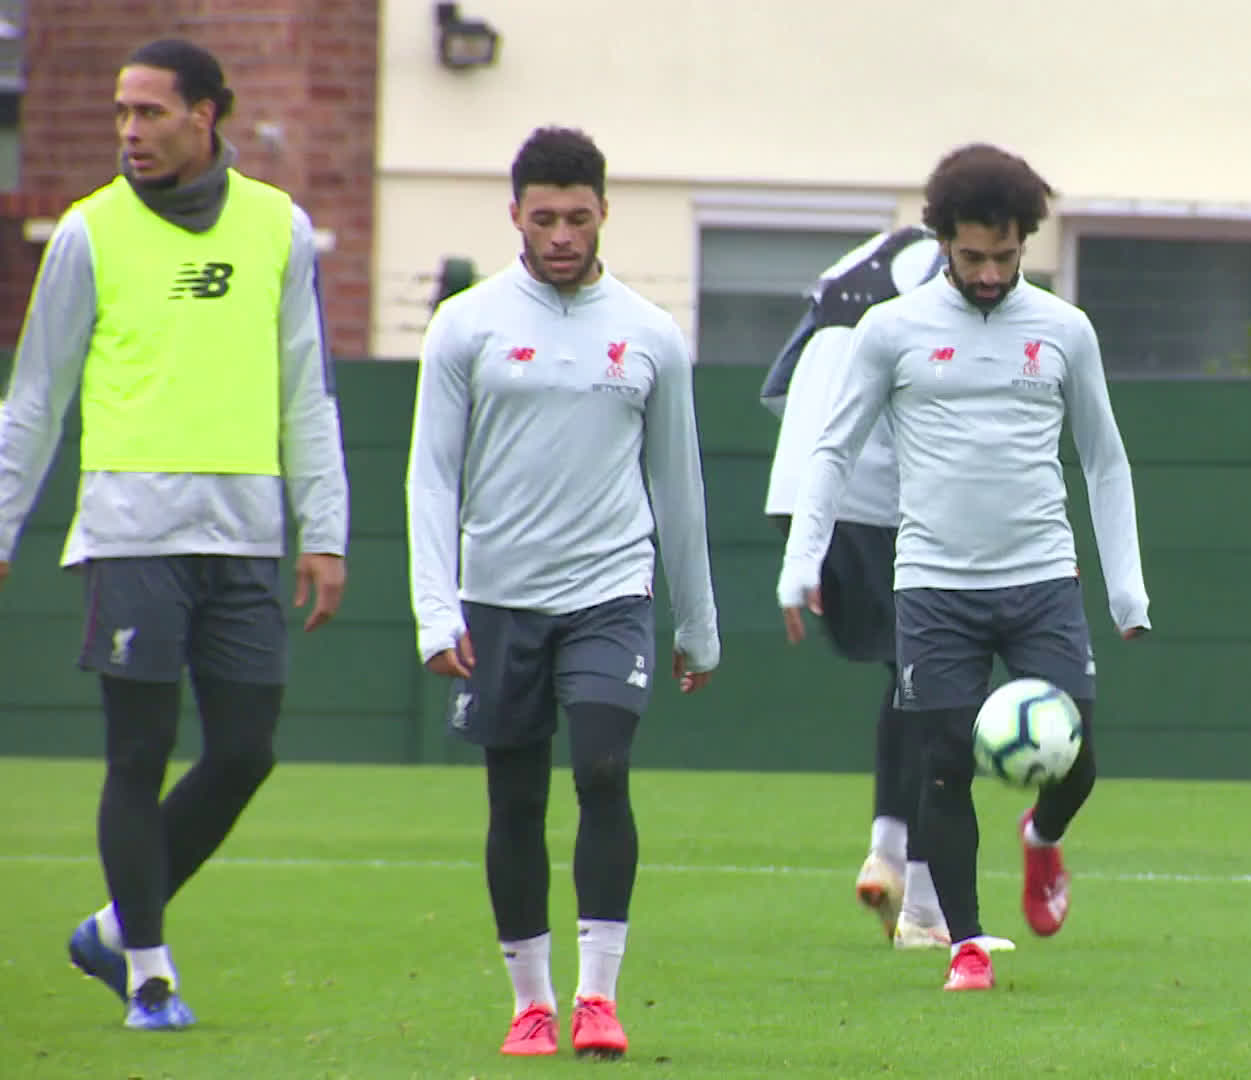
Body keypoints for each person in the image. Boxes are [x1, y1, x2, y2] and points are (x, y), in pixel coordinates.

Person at [0, 38, 350, 1031]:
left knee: (246, 752)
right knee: (137, 754)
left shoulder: (281, 227)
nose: (130, 131)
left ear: (206, 115)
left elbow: (308, 391)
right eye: (122, 112)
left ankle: (113, 929)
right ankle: (148, 972)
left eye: (149, 112)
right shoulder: (87, 233)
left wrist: (324, 530)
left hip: (245, 538)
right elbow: (35, 398)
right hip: (131, 534)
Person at [776, 143, 1151, 992]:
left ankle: (1041, 838)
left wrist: (1126, 586)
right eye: (973, 256)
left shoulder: (1064, 330)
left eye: (1005, 256)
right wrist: (802, 559)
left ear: (1026, 244)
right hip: (935, 587)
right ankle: (966, 945)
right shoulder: (891, 330)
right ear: (942, 240)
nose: (989, 274)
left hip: (1042, 580)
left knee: (1078, 757)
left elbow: (1105, 460)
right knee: (942, 765)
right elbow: (832, 451)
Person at [405, 125, 721, 1060]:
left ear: (604, 213)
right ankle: (531, 1003)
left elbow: (679, 484)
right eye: (543, 218)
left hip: (610, 592)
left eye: (577, 218)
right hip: (499, 598)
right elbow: (431, 475)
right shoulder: (466, 324)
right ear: (515, 215)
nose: (560, 236)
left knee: (603, 770)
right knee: (515, 801)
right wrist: (436, 608)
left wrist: (698, 623)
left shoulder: (650, 333)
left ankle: (598, 997)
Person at [760, 225, 959, 949]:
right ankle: (924, 907)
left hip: (800, 490)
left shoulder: (856, 262)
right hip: (874, 497)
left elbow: (777, 388)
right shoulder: (946, 272)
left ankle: (889, 851)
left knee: (911, 677)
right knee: (943, 685)